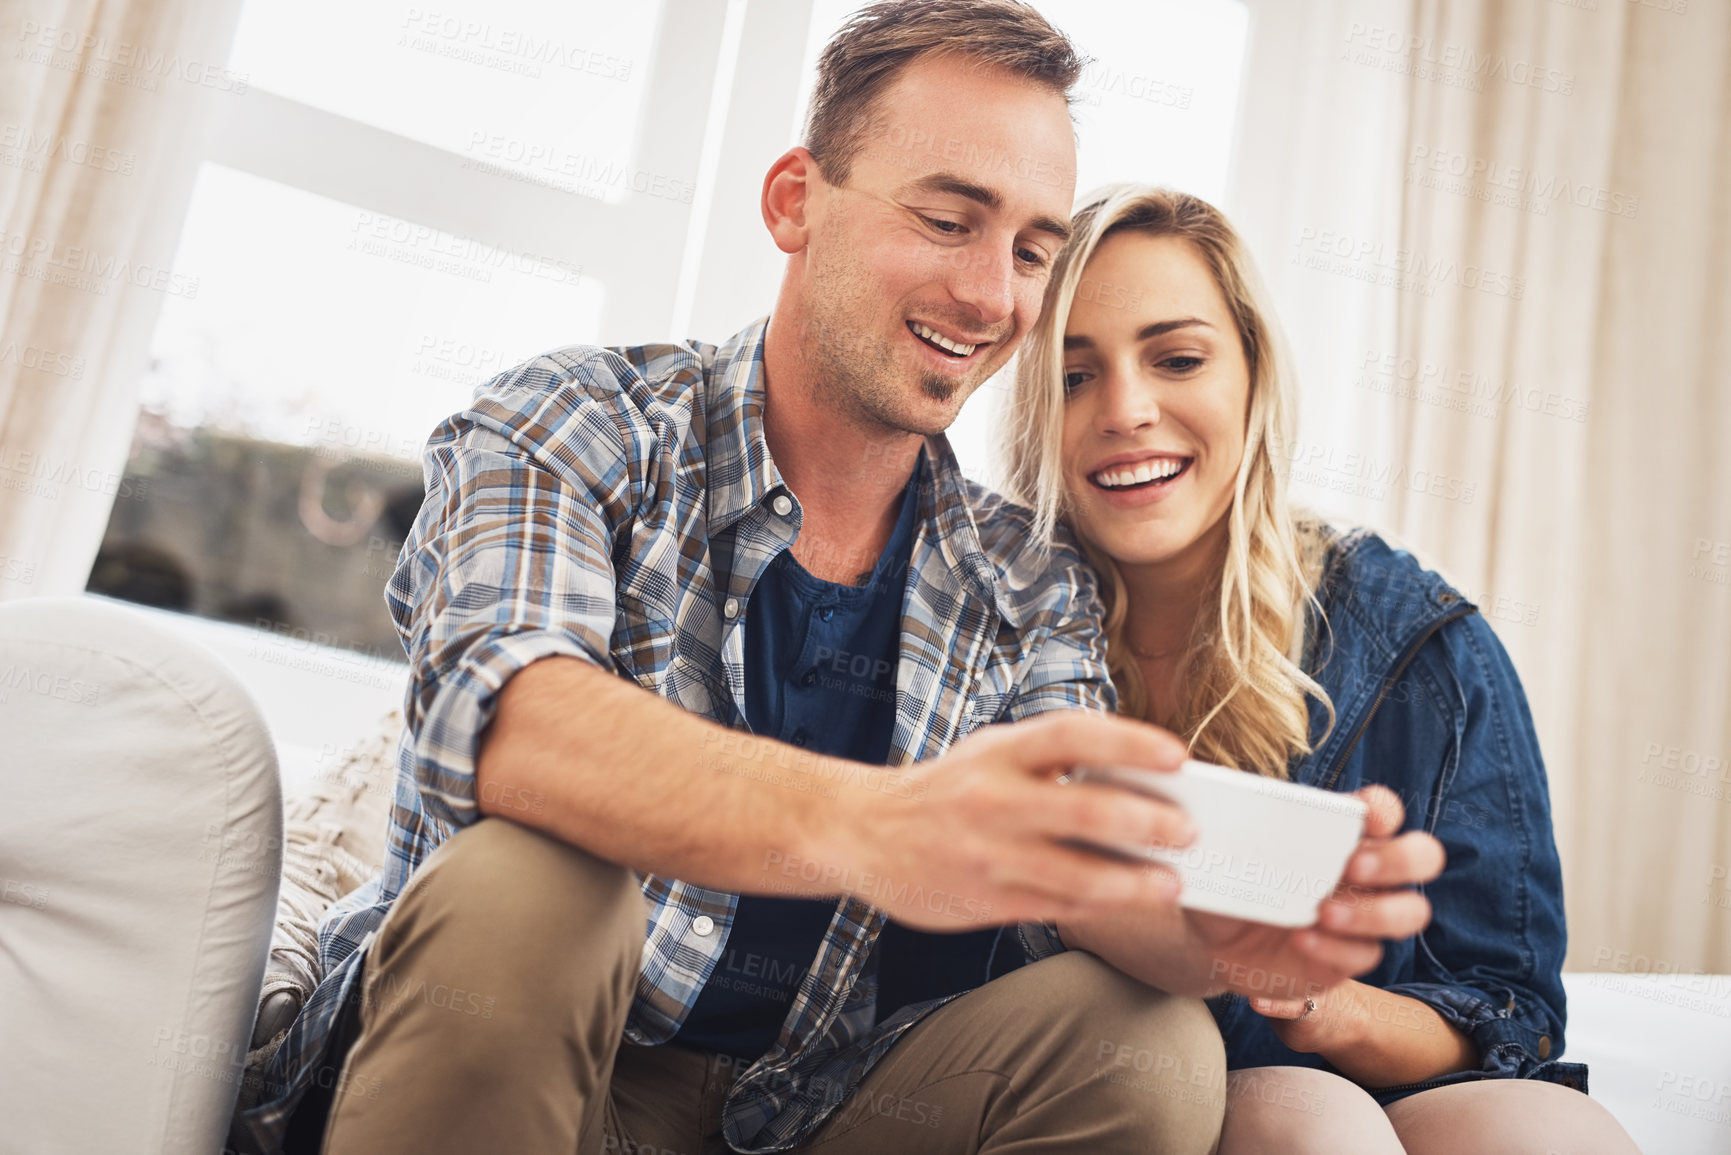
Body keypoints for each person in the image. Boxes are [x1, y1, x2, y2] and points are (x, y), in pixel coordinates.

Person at [233, 7, 1446, 1154]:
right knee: (533, 873)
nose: (991, 296)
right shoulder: (580, 421)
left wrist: (1220, 937)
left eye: (1032, 248)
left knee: (1147, 1040)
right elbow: (509, 725)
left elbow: (1088, 883)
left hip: (809, 1113)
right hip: (515, 1052)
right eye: (948, 218)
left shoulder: (1025, 580)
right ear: (794, 200)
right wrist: (886, 827)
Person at [1003, 183, 1642, 1154]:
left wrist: (1316, 999)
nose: (1127, 409)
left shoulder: (1419, 648)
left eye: (1177, 358)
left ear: (1255, 376)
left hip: (1371, 1073)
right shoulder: (990, 624)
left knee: (1556, 1132)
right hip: (1132, 1082)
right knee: (1316, 1126)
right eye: (1075, 375)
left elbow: (1509, 1013)